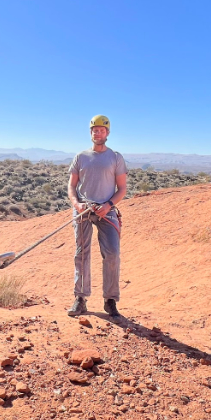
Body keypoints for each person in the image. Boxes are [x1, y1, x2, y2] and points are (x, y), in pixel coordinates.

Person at [66, 115, 128, 317]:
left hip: (107, 211)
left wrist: (108, 205)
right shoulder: (80, 157)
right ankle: (80, 299)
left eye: (101, 130)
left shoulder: (116, 158)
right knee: (81, 254)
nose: (97, 133)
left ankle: (110, 300)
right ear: (90, 133)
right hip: (83, 210)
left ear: (107, 133)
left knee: (112, 254)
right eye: (94, 130)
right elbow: (71, 186)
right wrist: (77, 204)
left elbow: (122, 189)